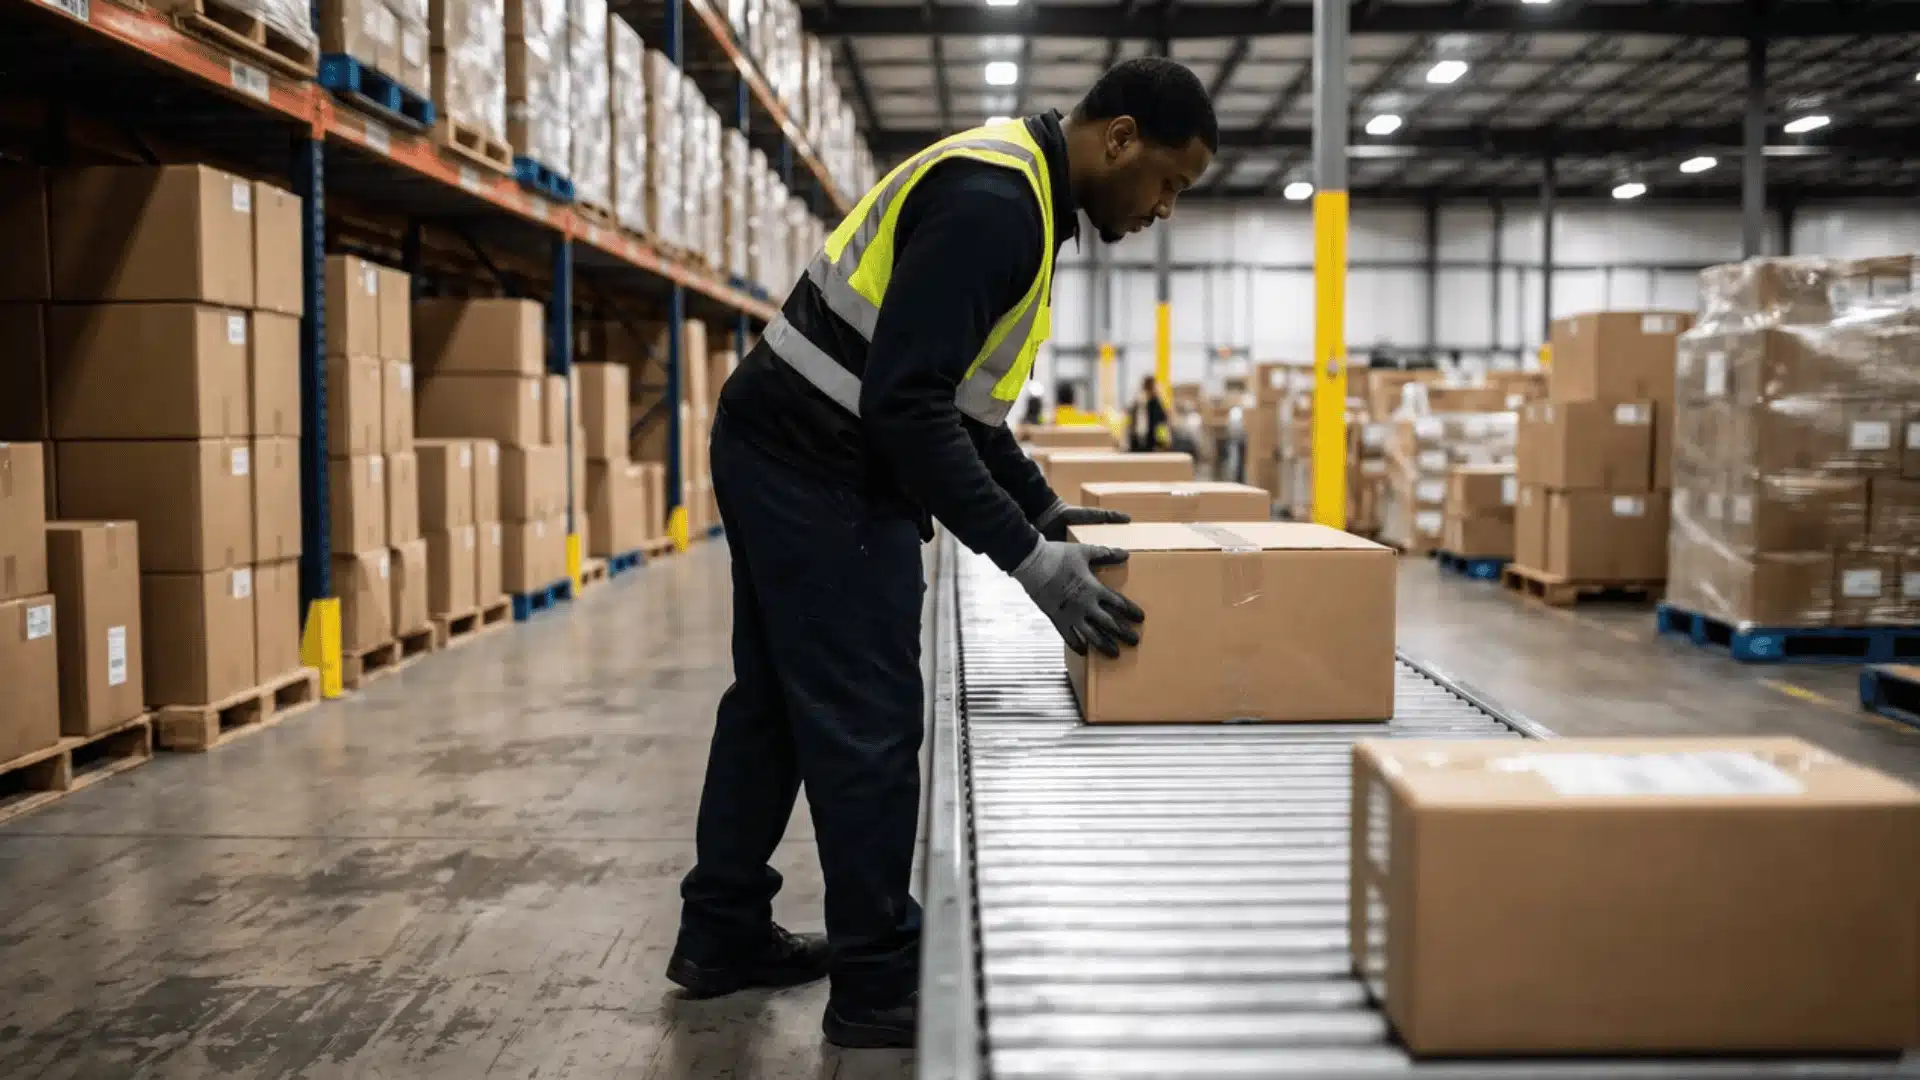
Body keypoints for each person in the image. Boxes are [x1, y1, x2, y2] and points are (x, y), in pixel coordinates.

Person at [665, 58, 1219, 1049]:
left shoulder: (1021, 197)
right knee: (866, 716)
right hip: (814, 459)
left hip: (789, 440)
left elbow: (962, 408)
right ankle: (879, 985)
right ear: (1121, 138)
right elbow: (905, 408)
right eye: (1170, 183)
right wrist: (1030, 562)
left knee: (779, 706)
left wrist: (1045, 515)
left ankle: (722, 933)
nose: (1165, 209)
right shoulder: (996, 208)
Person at [1128, 374, 1170, 451]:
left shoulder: (1139, 402)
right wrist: (1163, 441)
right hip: (1146, 441)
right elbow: (1161, 423)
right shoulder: (1151, 403)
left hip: (1145, 441)